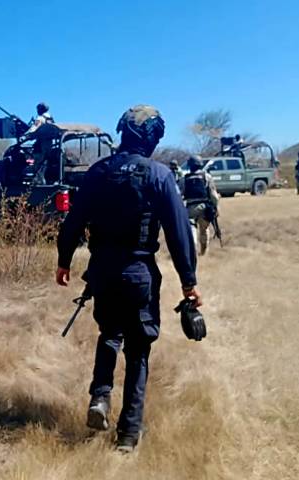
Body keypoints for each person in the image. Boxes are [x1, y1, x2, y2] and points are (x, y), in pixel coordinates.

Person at [56, 105, 200, 453]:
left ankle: (100, 396)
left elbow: (73, 222)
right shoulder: (158, 175)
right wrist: (189, 281)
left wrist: (64, 261)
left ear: (123, 133)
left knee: (109, 334)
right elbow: (179, 232)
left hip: (102, 272)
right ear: (152, 138)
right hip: (138, 274)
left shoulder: (98, 172)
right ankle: (128, 435)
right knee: (138, 350)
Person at [182, 155, 220, 256]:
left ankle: (193, 248)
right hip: (204, 207)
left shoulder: (185, 178)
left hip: (190, 208)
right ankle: (203, 252)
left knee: (192, 228)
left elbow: (180, 194)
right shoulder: (206, 177)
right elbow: (213, 195)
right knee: (204, 230)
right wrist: (216, 207)